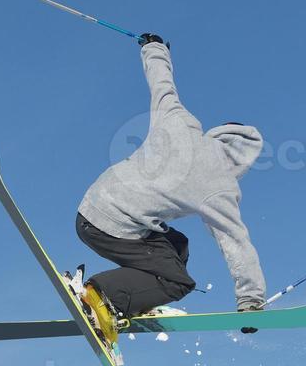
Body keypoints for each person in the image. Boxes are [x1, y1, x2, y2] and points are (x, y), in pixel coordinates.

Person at [69, 33, 267, 342]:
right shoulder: (220, 188)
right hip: (112, 228)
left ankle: (136, 295)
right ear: (242, 162)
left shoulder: (179, 121)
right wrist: (250, 301)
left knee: (177, 245)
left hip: (90, 207)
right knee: (179, 282)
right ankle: (105, 295)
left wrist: (154, 47)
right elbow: (236, 243)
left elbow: (162, 83)